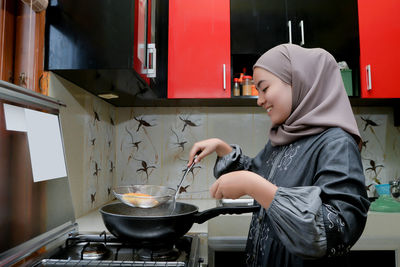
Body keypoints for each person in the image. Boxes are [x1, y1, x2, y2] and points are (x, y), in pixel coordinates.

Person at [187, 44, 370, 267]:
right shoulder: (285, 136)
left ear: (300, 81)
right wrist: (222, 148)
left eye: (264, 88)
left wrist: (251, 184)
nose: (259, 100)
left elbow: (338, 229)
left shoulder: (337, 143)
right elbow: (259, 176)